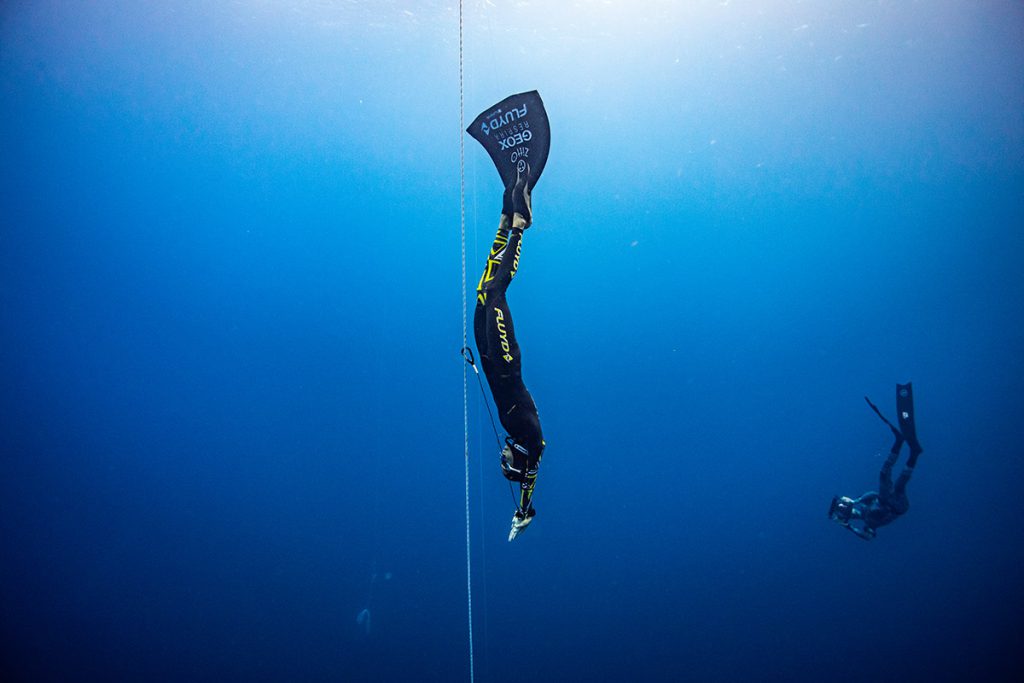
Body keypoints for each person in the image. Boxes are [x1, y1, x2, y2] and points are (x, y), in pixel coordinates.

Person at [473, 166, 545, 541]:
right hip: (505, 363)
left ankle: (502, 225)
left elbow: (523, 480)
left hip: (488, 363)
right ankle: (520, 225)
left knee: (483, 296)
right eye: (506, 465)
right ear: (519, 466)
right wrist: (524, 509)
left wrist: (520, 511)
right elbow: (530, 480)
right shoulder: (532, 446)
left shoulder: (518, 444)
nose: (502, 459)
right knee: (497, 293)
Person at [829, 383, 924, 540]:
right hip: (897, 507)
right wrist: (849, 527)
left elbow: (873, 494)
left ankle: (900, 442)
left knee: (884, 474)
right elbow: (869, 536)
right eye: (846, 510)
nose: (848, 508)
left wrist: (856, 500)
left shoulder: (863, 504)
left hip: (888, 500)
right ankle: (913, 453)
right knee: (899, 483)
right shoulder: (868, 521)